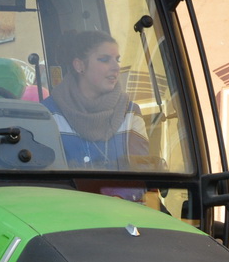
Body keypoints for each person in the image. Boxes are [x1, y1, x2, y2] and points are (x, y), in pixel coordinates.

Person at [42, 29, 149, 168]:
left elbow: (142, 176)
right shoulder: (48, 114)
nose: (116, 67)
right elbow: (46, 179)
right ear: (79, 65)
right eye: (104, 60)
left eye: (117, 60)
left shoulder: (130, 112)